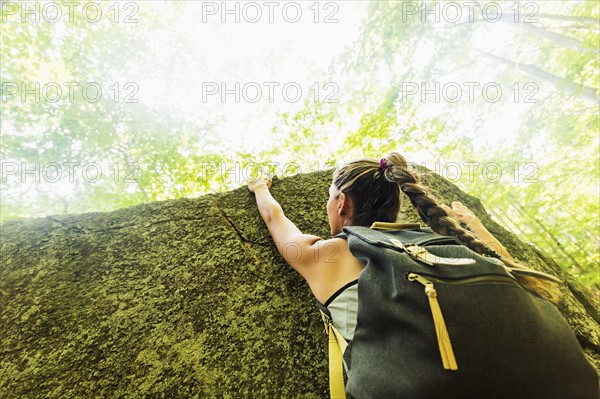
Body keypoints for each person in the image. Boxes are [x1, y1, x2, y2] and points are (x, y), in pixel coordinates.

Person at [248, 153, 559, 344]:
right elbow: (515, 275)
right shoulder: (441, 241)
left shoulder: (326, 255)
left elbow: (275, 218)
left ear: (341, 203)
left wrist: (259, 187)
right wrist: (475, 226)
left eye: (330, 197)